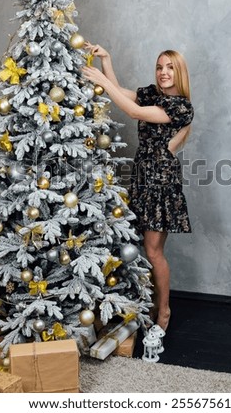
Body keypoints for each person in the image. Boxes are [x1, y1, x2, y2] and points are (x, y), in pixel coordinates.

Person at [81, 43, 194, 332]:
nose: (163, 72)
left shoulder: (181, 107)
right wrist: (107, 60)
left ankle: (164, 311)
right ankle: (155, 303)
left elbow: (132, 112)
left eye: (170, 67)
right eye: (159, 67)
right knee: (145, 247)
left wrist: (103, 81)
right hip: (143, 175)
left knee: (154, 251)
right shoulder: (153, 95)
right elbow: (120, 92)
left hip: (161, 181)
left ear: (179, 72)